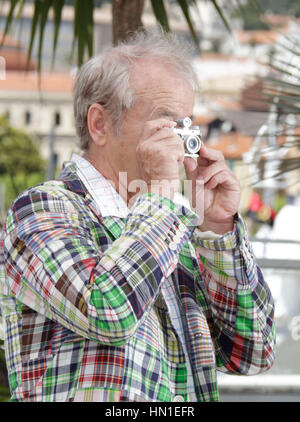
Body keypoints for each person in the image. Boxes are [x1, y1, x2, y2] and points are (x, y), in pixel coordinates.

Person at [0, 31, 275, 402]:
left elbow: (253, 353)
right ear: (99, 124)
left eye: (186, 124)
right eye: (166, 123)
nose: (182, 140)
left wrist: (218, 230)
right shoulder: (40, 211)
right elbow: (106, 310)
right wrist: (162, 196)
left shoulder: (173, 229)